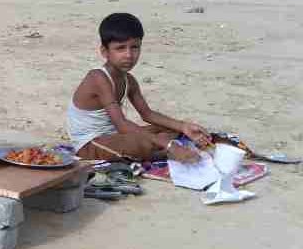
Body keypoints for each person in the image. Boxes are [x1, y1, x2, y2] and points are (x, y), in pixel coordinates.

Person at [66, 13, 211, 162]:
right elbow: (122, 124)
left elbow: (147, 114)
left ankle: (160, 148)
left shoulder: (129, 80)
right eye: (120, 48)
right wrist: (170, 146)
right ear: (104, 52)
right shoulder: (98, 78)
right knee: (143, 144)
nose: (129, 55)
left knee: (171, 129)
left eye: (134, 47)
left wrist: (183, 126)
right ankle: (162, 153)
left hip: (115, 136)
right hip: (91, 144)